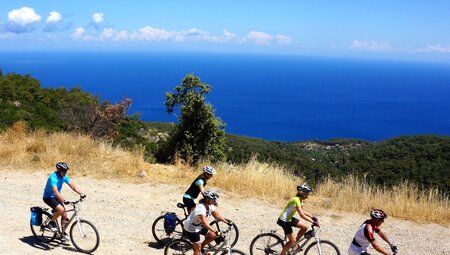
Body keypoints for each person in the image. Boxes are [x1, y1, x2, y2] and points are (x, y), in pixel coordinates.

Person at [42, 162, 85, 240]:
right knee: (61, 210)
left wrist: (81, 193)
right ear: (59, 170)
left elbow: (72, 185)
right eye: (64, 171)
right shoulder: (53, 178)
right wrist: (64, 200)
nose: (65, 172)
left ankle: (62, 233)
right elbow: (55, 192)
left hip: (56, 197)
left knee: (64, 215)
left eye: (66, 171)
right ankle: (51, 223)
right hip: (48, 197)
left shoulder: (64, 176)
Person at [183, 190, 232, 255]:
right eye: (213, 199)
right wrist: (216, 231)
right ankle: (199, 250)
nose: (215, 201)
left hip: (198, 226)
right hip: (191, 228)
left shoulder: (210, 206)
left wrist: (228, 222)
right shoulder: (201, 208)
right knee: (197, 248)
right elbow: (205, 223)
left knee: (213, 235)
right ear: (207, 199)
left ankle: (202, 248)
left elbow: (217, 215)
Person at [277, 184, 318, 255]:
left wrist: (313, 217)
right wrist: (312, 222)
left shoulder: (300, 200)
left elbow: (303, 211)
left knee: (305, 227)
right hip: (284, 220)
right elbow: (302, 215)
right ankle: (283, 253)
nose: (308, 194)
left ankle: (294, 244)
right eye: (308, 193)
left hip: (288, 218)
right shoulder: (296, 200)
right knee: (291, 241)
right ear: (303, 193)